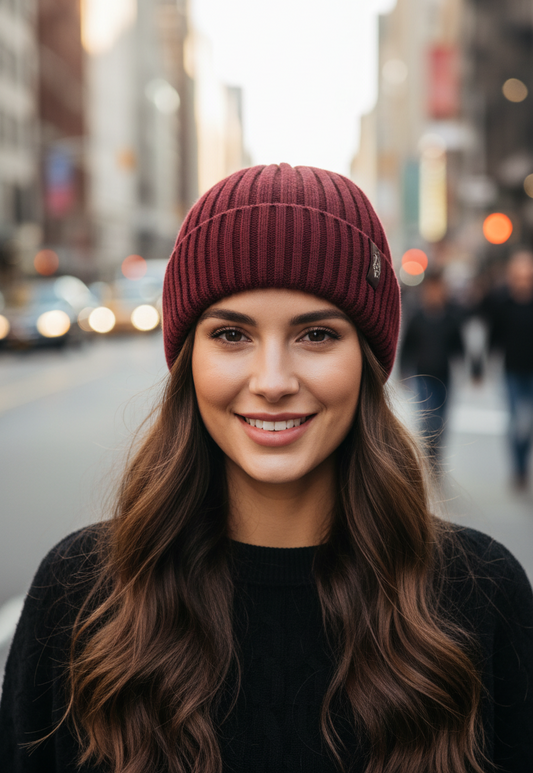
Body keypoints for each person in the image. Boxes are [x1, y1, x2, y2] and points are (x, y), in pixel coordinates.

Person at [1, 164, 533, 773]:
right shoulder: (79, 599)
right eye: (231, 334)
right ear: (188, 361)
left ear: (367, 359)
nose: (274, 382)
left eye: (315, 335)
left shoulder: (481, 596)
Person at [482, 250, 533, 490]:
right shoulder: (503, 301)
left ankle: (523, 462)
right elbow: (494, 334)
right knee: (515, 421)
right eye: (519, 274)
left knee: (529, 422)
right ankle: (518, 468)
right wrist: (486, 362)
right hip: (512, 370)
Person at [400, 271, 464, 460]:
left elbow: (459, 347)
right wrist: (403, 372)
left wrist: (472, 368)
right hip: (423, 375)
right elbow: (407, 346)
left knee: (441, 420)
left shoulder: (451, 318)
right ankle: (429, 456)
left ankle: (435, 455)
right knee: (427, 419)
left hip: (444, 376)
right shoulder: (417, 318)